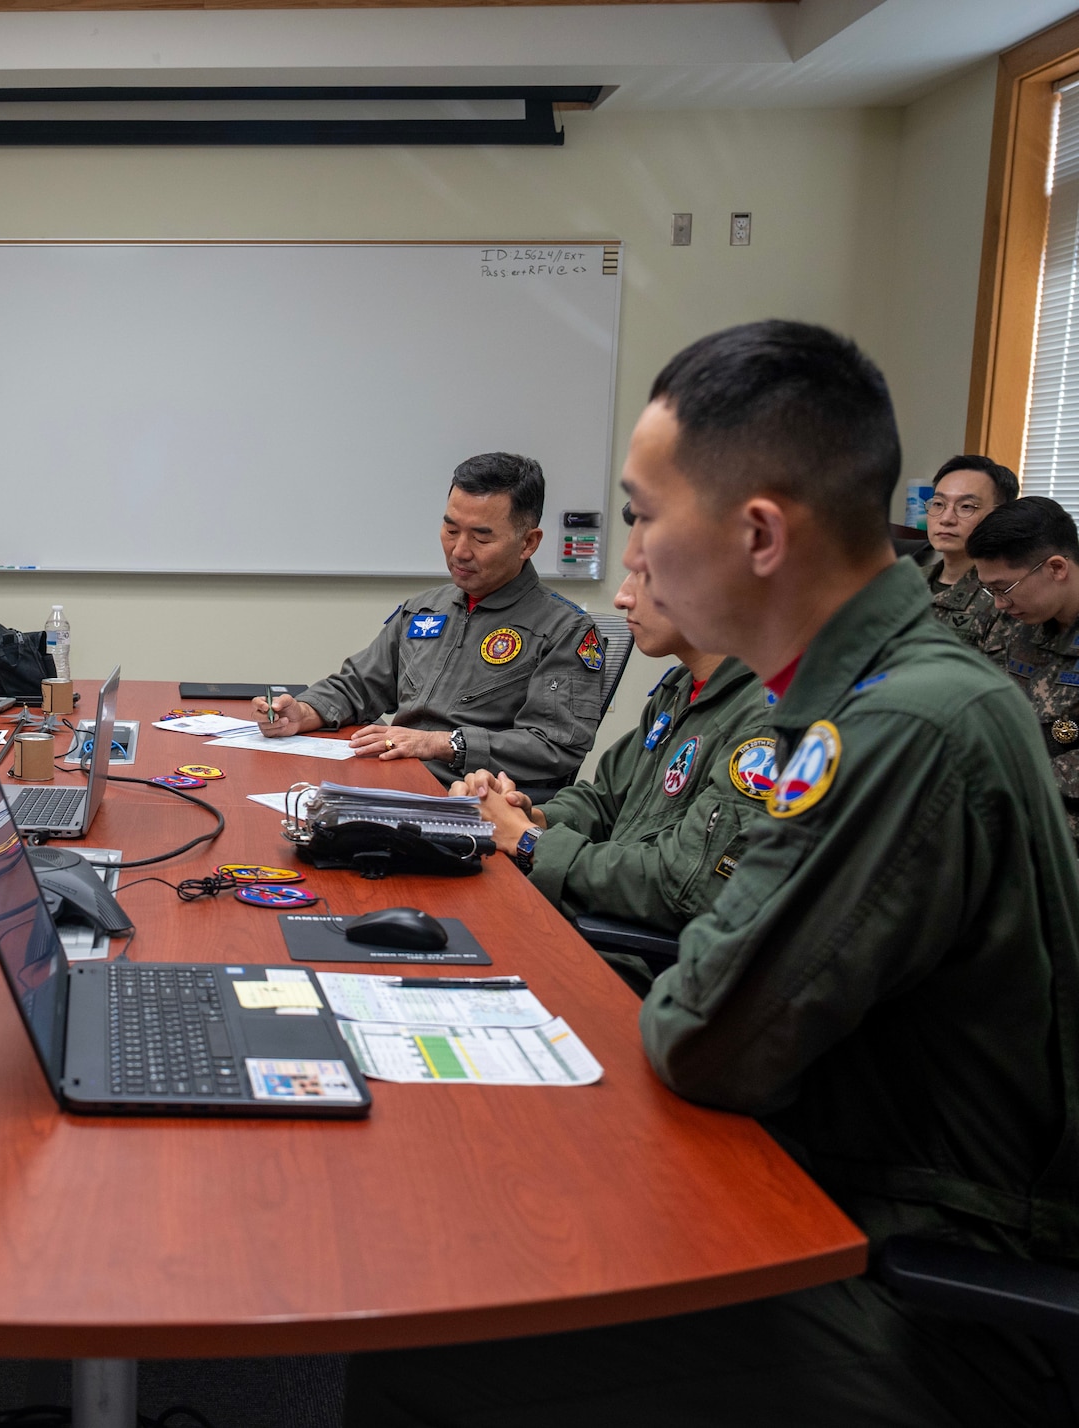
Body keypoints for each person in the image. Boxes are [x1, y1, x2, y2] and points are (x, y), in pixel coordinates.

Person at [347, 321, 1079, 1428]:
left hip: (911, 1272)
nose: (629, 556)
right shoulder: (866, 692)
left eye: (641, 516)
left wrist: (685, 962)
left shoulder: (894, 728)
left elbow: (704, 1036)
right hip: (833, 1181)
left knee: (428, 1326)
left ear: (756, 534)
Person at [451, 562, 773, 985]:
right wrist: (527, 814)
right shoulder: (682, 687)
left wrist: (530, 842)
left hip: (641, 968)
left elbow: (683, 886)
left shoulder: (767, 720)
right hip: (593, 922)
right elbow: (606, 799)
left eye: (645, 574)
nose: (621, 597)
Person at [256, 453, 605, 792]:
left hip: (465, 801)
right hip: (389, 780)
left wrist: (442, 744)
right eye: (451, 530)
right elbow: (360, 684)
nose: (460, 551)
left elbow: (554, 748)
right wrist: (304, 711)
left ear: (528, 542)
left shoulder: (566, 631)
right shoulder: (424, 609)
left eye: (481, 538)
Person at [966, 495, 1079, 847]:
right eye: (989, 589)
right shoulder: (1010, 617)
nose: (998, 603)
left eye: (1004, 588)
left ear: (1057, 568)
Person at [917, 453, 1015, 645]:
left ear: (1000, 515)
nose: (946, 519)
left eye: (966, 506)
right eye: (938, 504)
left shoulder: (1007, 598)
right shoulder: (905, 582)